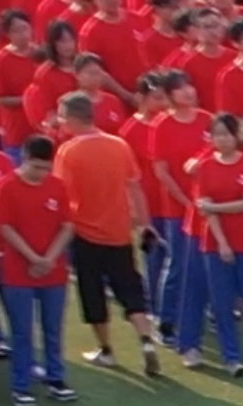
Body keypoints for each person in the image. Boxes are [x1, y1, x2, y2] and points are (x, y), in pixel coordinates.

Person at [49, 93, 163, 379]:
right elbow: (134, 187)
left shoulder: (68, 151)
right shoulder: (118, 145)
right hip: (119, 232)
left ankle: (107, 350)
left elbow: (60, 193)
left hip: (84, 233)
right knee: (130, 288)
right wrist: (144, 224)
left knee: (93, 293)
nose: (60, 121)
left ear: (73, 118)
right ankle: (145, 339)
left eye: (62, 116)